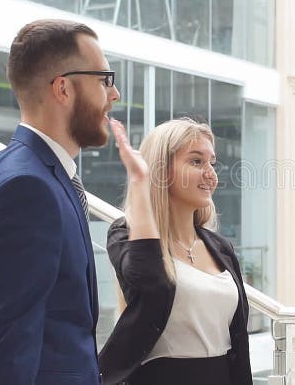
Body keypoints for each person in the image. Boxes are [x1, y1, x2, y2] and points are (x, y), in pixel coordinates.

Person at [0, 19, 120, 384]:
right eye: (104, 80)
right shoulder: (26, 187)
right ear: (64, 89)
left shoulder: (31, 174)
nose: (114, 95)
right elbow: (4, 349)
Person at [99, 118, 253, 385]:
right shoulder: (126, 234)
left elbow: (237, 342)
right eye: (196, 162)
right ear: (161, 170)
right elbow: (151, 282)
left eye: (212, 163)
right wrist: (139, 181)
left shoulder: (221, 248)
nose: (210, 174)